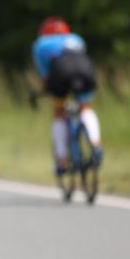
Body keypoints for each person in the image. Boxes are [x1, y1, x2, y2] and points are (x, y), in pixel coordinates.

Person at [31, 17, 103, 174]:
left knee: (59, 114)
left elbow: (45, 76)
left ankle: (62, 160)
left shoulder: (41, 44)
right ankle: (95, 144)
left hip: (60, 76)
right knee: (85, 108)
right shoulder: (76, 39)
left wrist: (43, 91)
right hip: (85, 74)